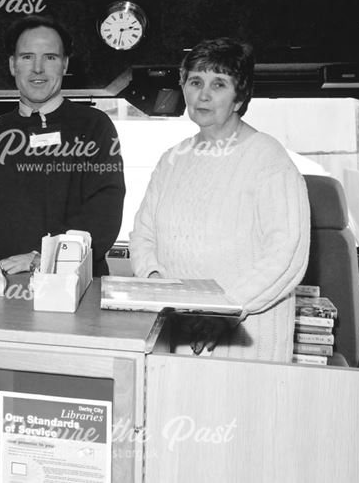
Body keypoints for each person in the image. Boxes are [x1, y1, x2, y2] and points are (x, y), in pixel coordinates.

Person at [129, 38, 309, 362]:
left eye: (219, 84)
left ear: (239, 97)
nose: (204, 94)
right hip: (175, 329)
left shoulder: (268, 159)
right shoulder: (172, 159)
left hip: (247, 338)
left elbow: (287, 253)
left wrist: (224, 311)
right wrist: (155, 284)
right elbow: (143, 235)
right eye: (195, 82)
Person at [0, 15, 125, 275]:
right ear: (13, 65)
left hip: (76, 288)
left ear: (64, 65)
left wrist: (43, 258)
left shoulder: (95, 128)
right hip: (1, 286)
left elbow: (103, 211)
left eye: (50, 57)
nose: (38, 68)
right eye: (27, 57)